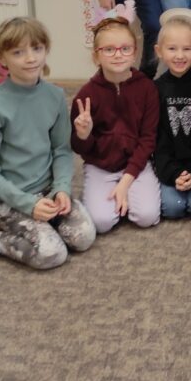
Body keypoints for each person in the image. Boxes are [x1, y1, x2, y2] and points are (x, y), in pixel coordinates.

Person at [0, 17, 95, 269]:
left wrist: (61, 188)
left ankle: (43, 222)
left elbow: (61, 150)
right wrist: (28, 204)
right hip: (9, 197)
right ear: (1, 58)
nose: (30, 58)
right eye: (18, 52)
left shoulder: (55, 96)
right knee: (51, 254)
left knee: (83, 238)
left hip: (48, 189)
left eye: (37, 48)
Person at [70, 13, 160, 234]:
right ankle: (113, 198)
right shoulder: (86, 95)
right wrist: (83, 135)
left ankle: (124, 194)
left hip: (137, 165)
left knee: (147, 216)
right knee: (101, 223)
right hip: (100, 166)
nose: (118, 55)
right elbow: (79, 148)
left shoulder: (147, 88)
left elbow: (148, 140)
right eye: (109, 49)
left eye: (125, 49)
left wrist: (125, 182)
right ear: (96, 56)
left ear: (134, 52)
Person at [153, 8, 191, 220]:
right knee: (172, 209)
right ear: (159, 51)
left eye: (187, 48)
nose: (180, 55)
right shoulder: (157, 89)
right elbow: (159, 141)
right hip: (172, 164)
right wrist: (174, 173)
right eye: (172, 49)